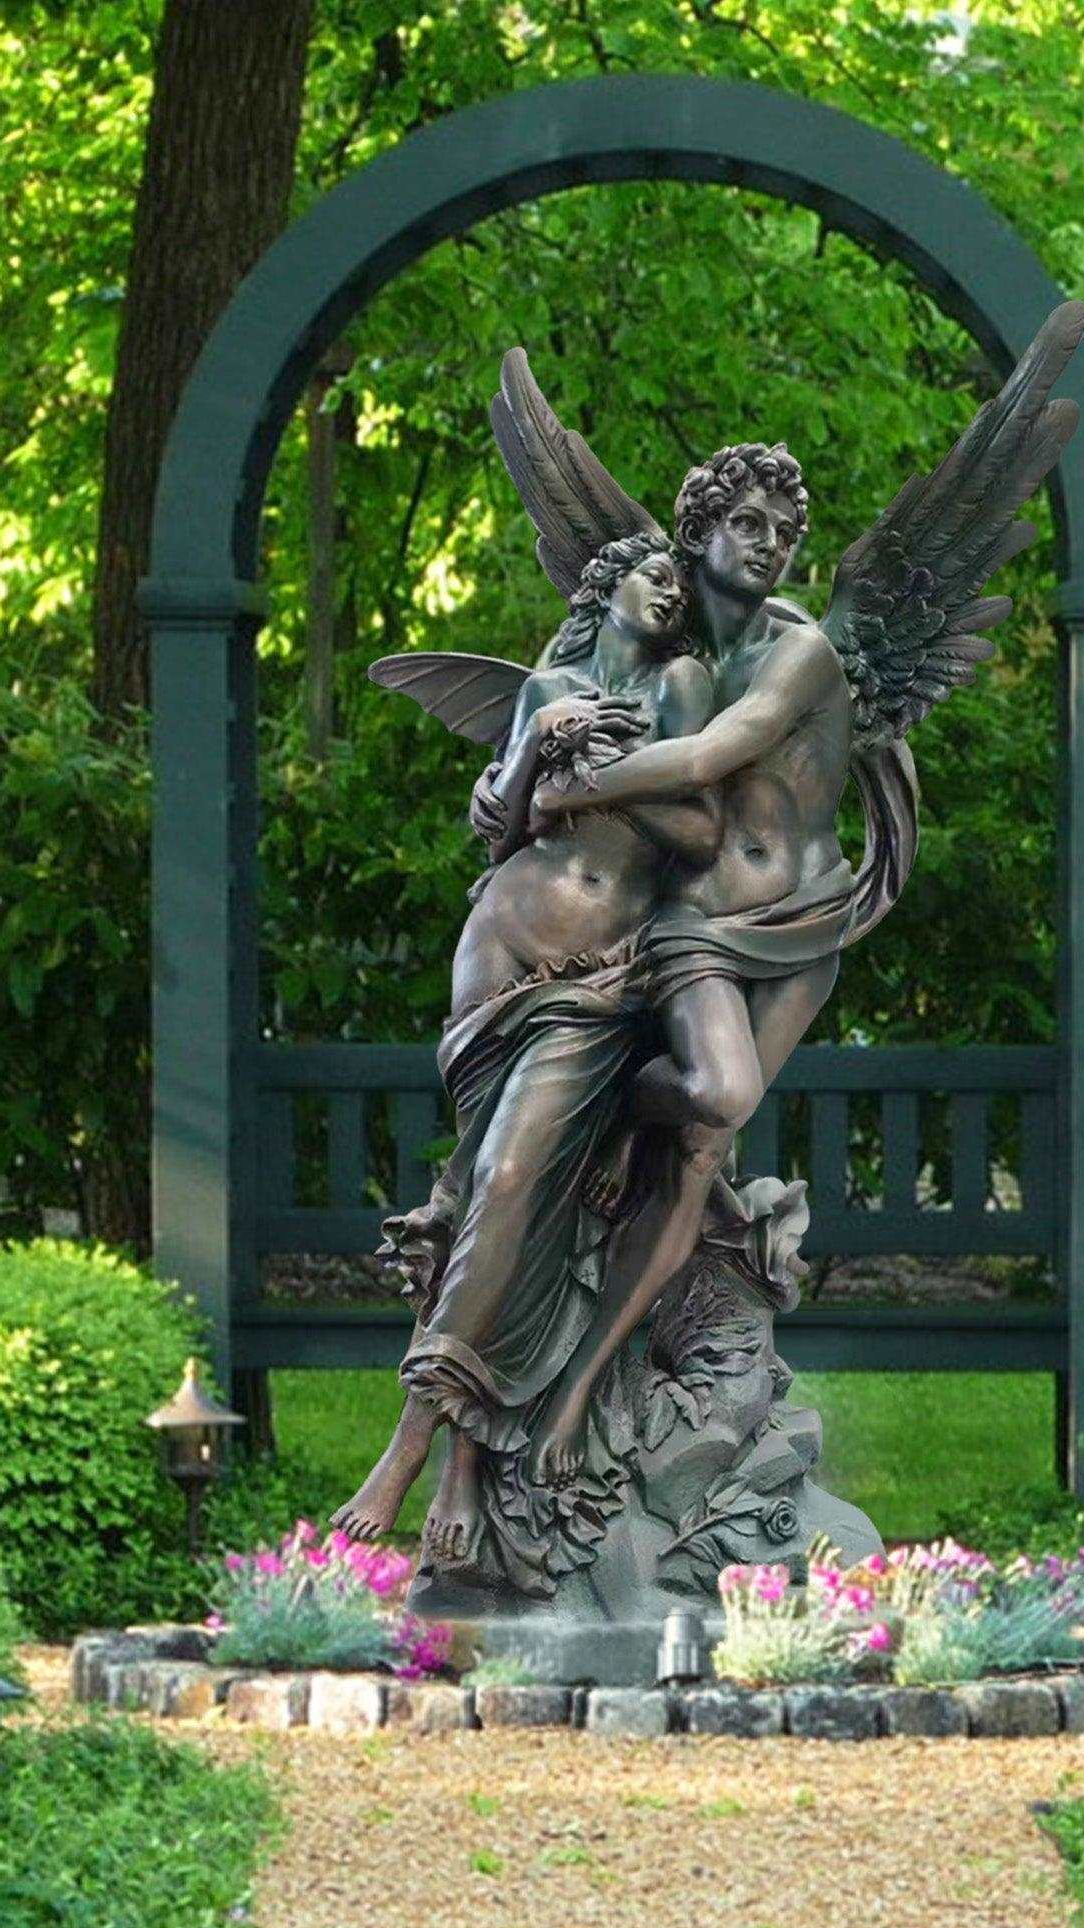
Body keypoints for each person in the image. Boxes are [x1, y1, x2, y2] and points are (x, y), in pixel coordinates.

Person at [330, 532, 723, 1570]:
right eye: (653, 573)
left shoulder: (679, 685)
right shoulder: (548, 685)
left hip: (596, 980)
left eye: (680, 584)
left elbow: (700, 830)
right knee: (484, 1199)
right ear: (605, 586)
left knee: (507, 1178)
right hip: (493, 960)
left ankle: (414, 1439)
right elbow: (500, 825)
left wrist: (589, 785)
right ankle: (465, 1459)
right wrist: (533, 739)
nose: (671, 590)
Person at [522, 443, 858, 1485]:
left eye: (786, 532)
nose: (771, 546)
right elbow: (553, 695)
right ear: (700, 528)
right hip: (694, 925)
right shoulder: (655, 637)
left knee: (700, 1155)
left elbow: (719, 755)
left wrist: (577, 781)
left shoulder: (798, 649)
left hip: (807, 920)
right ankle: (630, 1100)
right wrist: (540, 744)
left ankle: (577, 1390)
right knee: (717, 1092)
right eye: (750, 524)